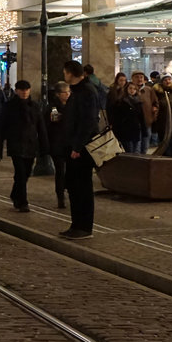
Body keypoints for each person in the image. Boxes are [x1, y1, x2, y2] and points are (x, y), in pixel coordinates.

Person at [61, 60, 101, 239]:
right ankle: (76, 224)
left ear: (70, 73)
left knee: (81, 186)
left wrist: (77, 146)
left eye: (65, 73)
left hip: (81, 148)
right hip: (73, 145)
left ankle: (83, 227)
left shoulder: (86, 91)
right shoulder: (78, 91)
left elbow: (88, 121)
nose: (64, 76)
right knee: (74, 186)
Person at [0, 79, 48, 213]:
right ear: (16, 91)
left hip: (31, 144)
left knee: (26, 173)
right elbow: (2, 126)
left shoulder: (35, 106)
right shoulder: (9, 106)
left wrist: (44, 146)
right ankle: (23, 202)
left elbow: (41, 126)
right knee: (20, 173)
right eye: (21, 90)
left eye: (26, 90)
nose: (24, 92)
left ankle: (15, 194)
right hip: (16, 144)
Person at [47, 81, 71, 209]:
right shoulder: (53, 107)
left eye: (68, 92)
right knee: (60, 171)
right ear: (58, 94)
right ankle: (60, 196)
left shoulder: (72, 105)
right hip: (57, 143)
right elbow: (54, 120)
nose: (67, 94)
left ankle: (67, 190)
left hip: (69, 143)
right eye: (65, 92)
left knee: (70, 171)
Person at [107, 78, 144, 154]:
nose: (132, 90)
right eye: (130, 88)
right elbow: (116, 116)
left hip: (136, 129)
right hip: (126, 130)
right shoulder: (121, 102)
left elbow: (141, 116)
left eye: (134, 89)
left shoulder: (138, 102)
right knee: (129, 151)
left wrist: (144, 129)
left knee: (137, 152)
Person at [132, 71, 158, 151]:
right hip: (135, 123)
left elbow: (155, 102)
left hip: (147, 121)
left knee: (145, 144)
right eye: (137, 77)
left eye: (141, 77)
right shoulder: (130, 89)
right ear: (133, 79)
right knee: (137, 145)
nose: (139, 79)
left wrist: (154, 108)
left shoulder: (149, 90)